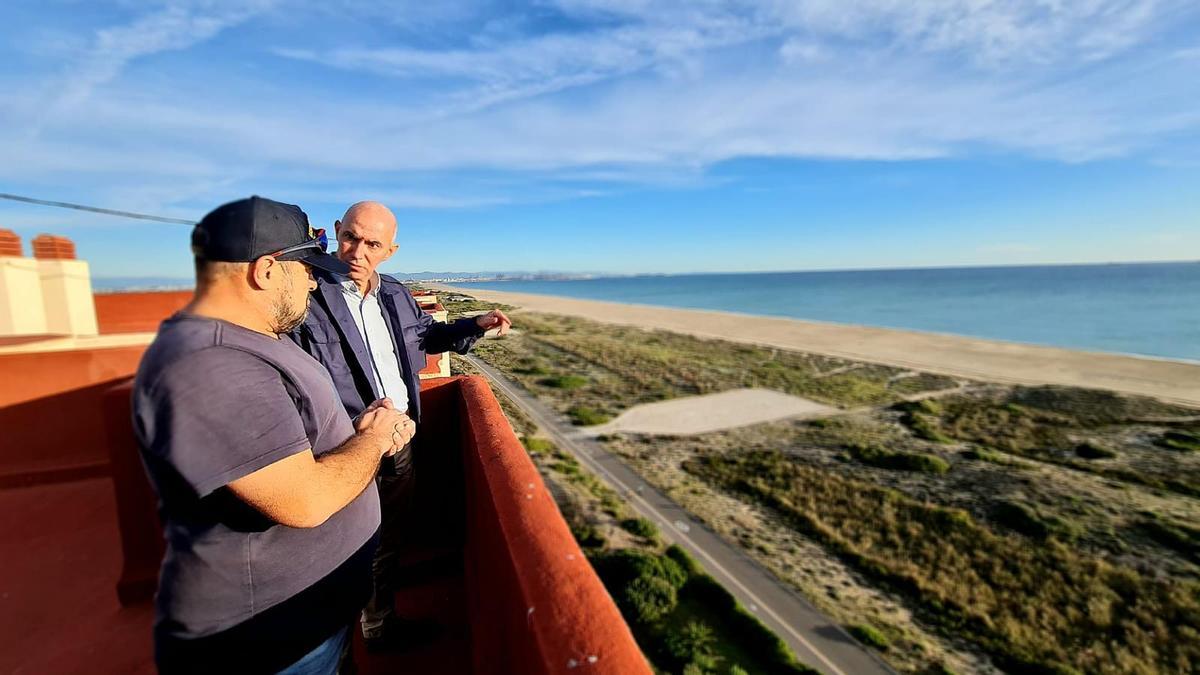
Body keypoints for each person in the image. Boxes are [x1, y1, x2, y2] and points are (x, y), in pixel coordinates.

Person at [132, 196, 415, 674]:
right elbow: (304, 501)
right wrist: (374, 436)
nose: (313, 279)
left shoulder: (253, 339)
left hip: (306, 622)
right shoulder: (214, 365)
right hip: (274, 640)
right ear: (266, 271)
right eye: (305, 267)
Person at [290, 200, 510, 649]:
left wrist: (477, 325)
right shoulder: (308, 296)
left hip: (400, 440)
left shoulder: (393, 293)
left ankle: (377, 625)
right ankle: (337, 636)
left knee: (388, 537)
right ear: (336, 231)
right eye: (350, 237)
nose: (357, 252)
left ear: (390, 250)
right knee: (342, 541)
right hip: (340, 446)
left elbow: (426, 335)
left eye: (373, 244)